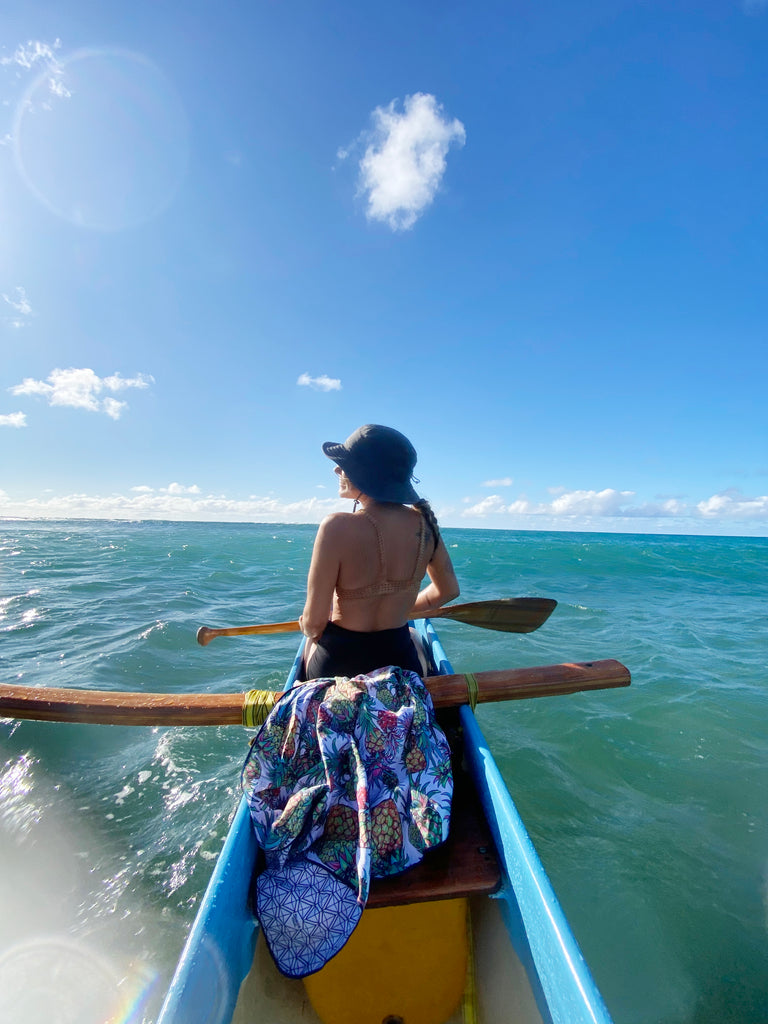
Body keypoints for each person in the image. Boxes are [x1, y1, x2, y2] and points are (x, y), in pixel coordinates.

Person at [297, 424, 460, 681]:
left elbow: (315, 624)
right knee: (415, 638)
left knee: (309, 643)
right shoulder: (426, 524)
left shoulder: (336, 526)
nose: (336, 470)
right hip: (400, 662)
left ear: (365, 475)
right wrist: (401, 609)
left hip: (338, 664)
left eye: (344, 464)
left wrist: (306, 624)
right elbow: (448, 590)